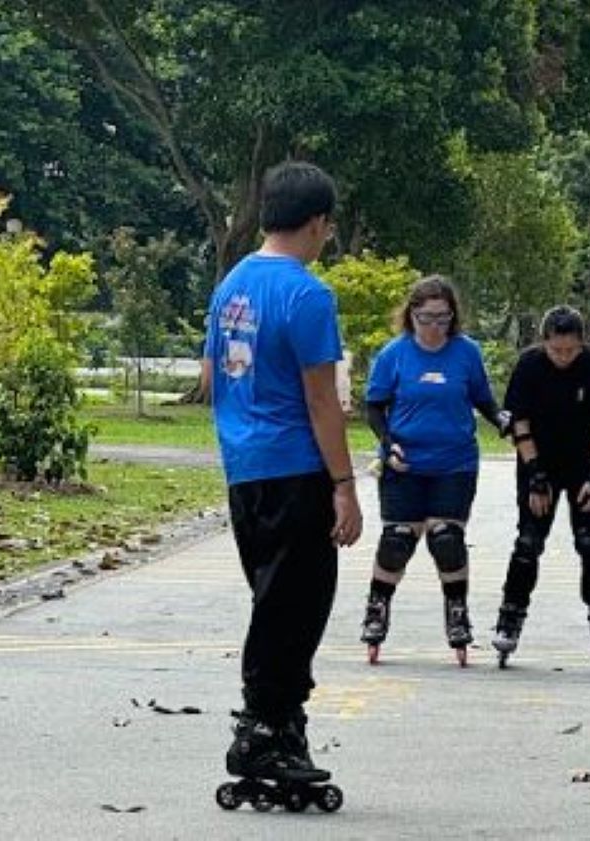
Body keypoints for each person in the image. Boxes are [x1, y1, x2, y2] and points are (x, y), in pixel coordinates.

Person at [203, 161, 363, 784]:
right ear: (319, 222)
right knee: (296, 607)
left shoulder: (232, 285)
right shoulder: (306, 294)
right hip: (297, 469)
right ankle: (265, 733)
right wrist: (345, 487)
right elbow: (323, 400)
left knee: (275, 604)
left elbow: (211, 376)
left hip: (245, 469)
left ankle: (280, 726)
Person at [360, 275, 509, 666]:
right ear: (411, 314)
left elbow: (482, 399)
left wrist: (502, 420)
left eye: (443, 319)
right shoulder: (394, 354)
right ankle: (377, 609)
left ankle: (456, 614)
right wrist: (386, 440)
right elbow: (374, 406)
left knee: (446, 538)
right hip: (404, 461)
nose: (434, 327)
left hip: (454, 462)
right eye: (426, 318)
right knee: (397, 540)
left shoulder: (466, 352)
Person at [491, 305, 590, 670]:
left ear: (581, 343)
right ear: (545, 342)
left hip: (585, 462)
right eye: (557, 350)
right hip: (540, 460)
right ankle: (510, 614)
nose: (564, 357)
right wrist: (534, 473)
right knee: (529, 542)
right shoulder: (530, 365)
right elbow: (519, 423)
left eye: (571, 350)